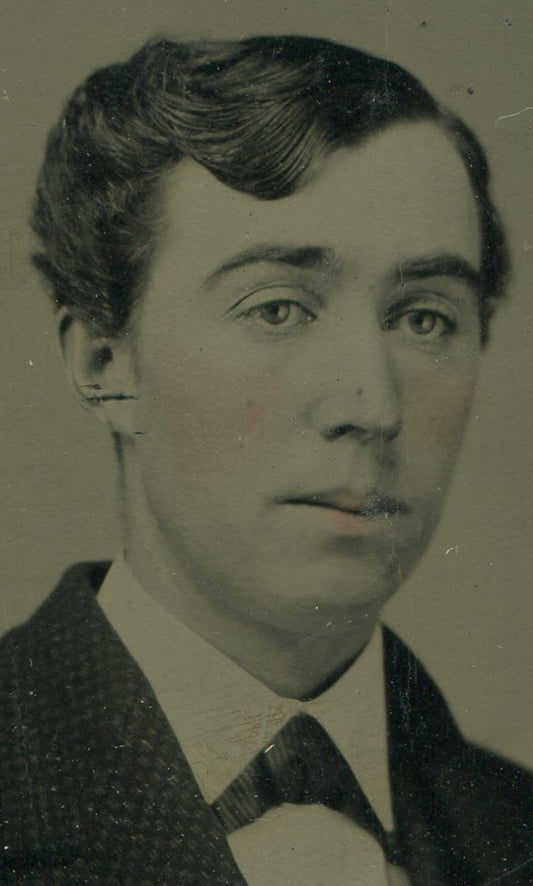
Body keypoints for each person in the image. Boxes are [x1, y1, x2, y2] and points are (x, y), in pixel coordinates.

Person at [0, 34, 530, 885]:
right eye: (277, 308)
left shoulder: (511, 825)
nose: (373, 407)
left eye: (424, 318)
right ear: (106, 363)